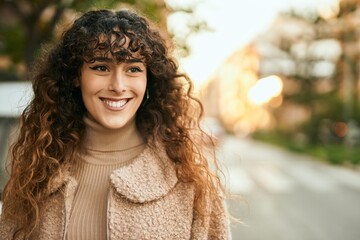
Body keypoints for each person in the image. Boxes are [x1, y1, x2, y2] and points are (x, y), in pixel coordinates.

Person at [0, 9, 230, 240]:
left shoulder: (190, 179)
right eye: (101, 67)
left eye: (133, 69)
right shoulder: (37, 171)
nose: (118, 86)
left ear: (149, 79)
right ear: (75, 76)